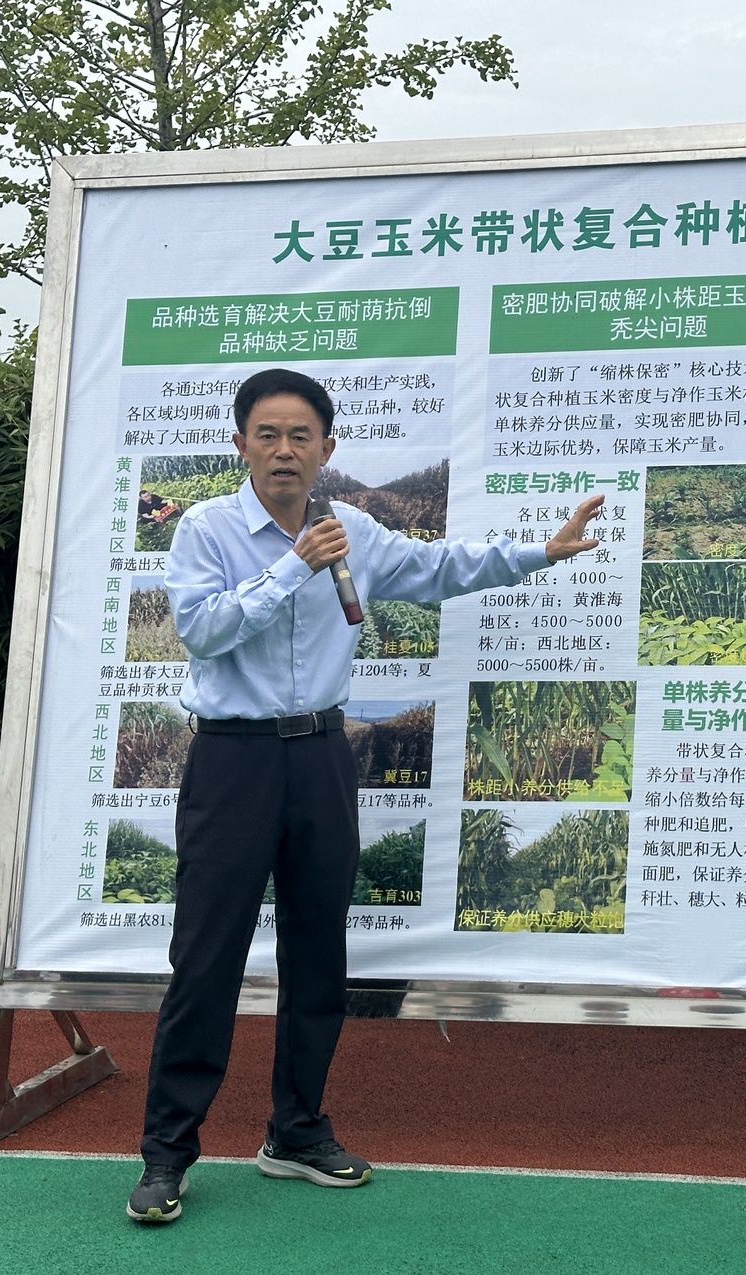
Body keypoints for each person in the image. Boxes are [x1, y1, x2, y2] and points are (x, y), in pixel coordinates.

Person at [128, 367, 602, 1224]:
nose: (284, 450)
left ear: (327, 448)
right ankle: (167, 1153)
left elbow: (437, 567)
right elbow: (202, 630)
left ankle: (296, 1131)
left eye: (300, 435)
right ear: (240, 445)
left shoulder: (351, 528)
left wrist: (540, 550)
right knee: (205, 958)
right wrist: (292, 569)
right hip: (231, 760)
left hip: (321, 755)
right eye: (267, 434)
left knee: (319, 952)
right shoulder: (206, 529)